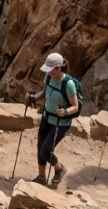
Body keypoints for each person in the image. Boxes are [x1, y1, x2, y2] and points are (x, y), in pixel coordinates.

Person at [27, 53, 80, 187]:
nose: (48, 72)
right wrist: (34, 98)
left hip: (60, 123)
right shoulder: (49, 78)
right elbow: (45, 93)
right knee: (40, 148)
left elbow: (75, 106)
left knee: (45, 150)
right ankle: (41, 177)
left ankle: (59, 168)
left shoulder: (68, 84)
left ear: (58, 68)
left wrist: (65, 111)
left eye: (50, 70)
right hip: (46, 118)